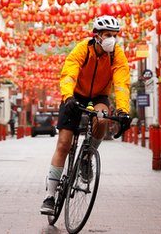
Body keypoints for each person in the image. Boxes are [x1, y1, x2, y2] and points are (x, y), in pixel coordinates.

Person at [40, 15, 130, 215]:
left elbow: (122, 83)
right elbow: (69, 73)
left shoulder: (117, 54)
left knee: (103, 117)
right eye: (108, 35)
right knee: (64, 143)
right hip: (75, 95)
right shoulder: (82, 49)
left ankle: (86, 156)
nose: (112, 40)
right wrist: (68, 97)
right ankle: (50, 196)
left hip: (99, 96)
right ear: (96, 35)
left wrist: (124, 111)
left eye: (115, 36)